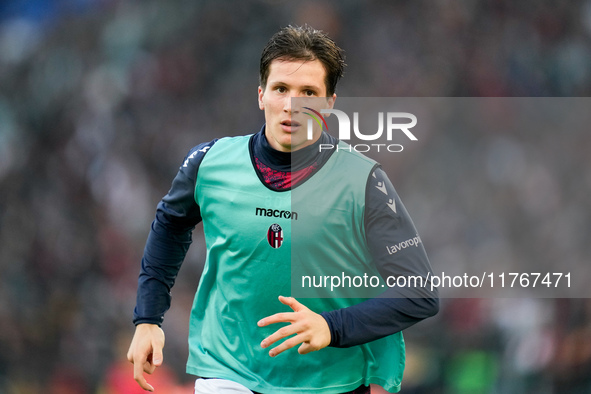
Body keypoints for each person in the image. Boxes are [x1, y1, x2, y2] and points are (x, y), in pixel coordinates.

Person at [127, 25, 438, 394]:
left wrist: (331, 327)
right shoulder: (208, 163)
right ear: (261, 95)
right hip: (229, 372)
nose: (292, 106)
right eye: (281, 90)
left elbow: (419, 292)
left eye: (308, 92)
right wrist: (148, 318)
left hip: (330, 381)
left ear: (329, 103)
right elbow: (170, 226)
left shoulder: (364, 182)